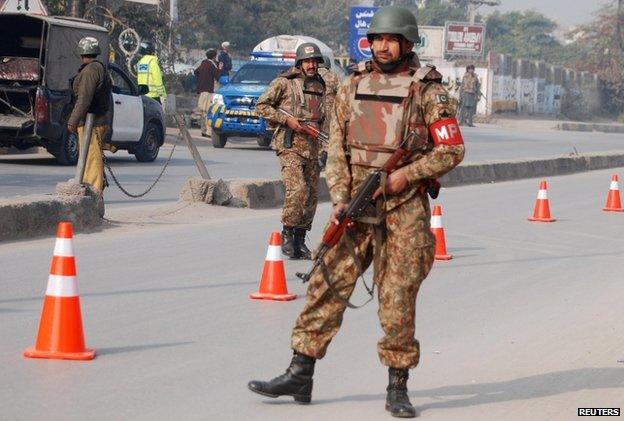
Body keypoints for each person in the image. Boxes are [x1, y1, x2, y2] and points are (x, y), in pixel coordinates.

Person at [248, 6, 465, 419]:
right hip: (357, 205)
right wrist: (341, 199)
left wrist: (408, 176)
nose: (383, 46)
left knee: (397, 298)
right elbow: (337, 152)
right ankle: (300, 373)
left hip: (402, 208)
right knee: (325, 284)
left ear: (407, 43)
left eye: (391, 40)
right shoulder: (353, 84)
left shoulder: (429, 91)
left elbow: (452, 149)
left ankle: (397, 386)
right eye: (377, 39)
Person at [255, 42, 333, 260]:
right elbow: (261, 106)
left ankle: (300, 239)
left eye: (314, 61)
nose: (311, 65)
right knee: (297, 190)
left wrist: (326, 145)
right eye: (307, 61)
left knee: (311, 196)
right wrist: (287, 120)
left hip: (313, 146)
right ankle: (287, 234)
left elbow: (325, 118)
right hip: (290, 145)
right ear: (299, 63)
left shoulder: (320, 85)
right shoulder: (284, 83)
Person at [67, 37, 112, 209]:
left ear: (81, 53)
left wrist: (73, 119)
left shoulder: (90, 71)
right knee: (89, 158)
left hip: (91, 123)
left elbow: (84, 99)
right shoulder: (97, 68)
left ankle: (94, 197)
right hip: (93, 122)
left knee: (92, 160)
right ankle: (90, 191)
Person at [317, 55, 340, 171]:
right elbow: (341, 94)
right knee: (327, 135)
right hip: (329, 111)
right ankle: (324, 155)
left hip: (313, 110)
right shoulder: (333, 76)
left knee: (315, 133)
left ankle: (316, 157)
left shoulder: (311, 75)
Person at [194, 49, 220, 137]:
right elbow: (217, 75)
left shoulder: (203, 63)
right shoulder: (211, 64)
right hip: (208, 91)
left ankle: (203, 130)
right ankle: (209, 132)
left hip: (201, 91)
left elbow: (196, 72)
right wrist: (220, 68)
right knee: (209, 111)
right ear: (214, 57)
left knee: (202, 112)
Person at [136, 40, 166, 105]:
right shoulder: (153, 63)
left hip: (142, 96)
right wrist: (162, 95)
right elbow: (158, 81)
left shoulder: (140, 63)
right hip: (154, 97)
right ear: (152, 52)